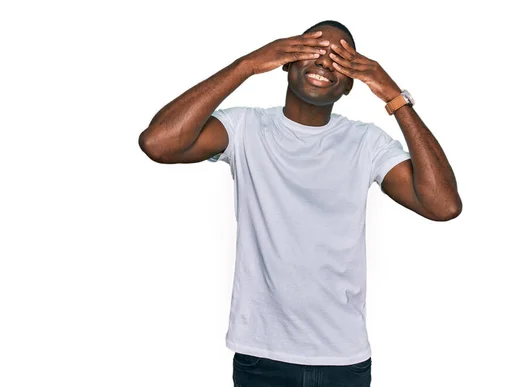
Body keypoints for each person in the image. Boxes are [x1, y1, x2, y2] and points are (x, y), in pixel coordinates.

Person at [138, 20, 461, 387]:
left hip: (343, 359)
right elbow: (158, 143)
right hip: (262, 357)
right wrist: (246, 65)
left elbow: (443, 205)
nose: (325, 63)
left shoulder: (366, 143)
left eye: (340, 59)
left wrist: (393, 96)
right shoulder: (245, 128)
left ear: (351, 83)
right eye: (314, 51)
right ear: (288, 62)